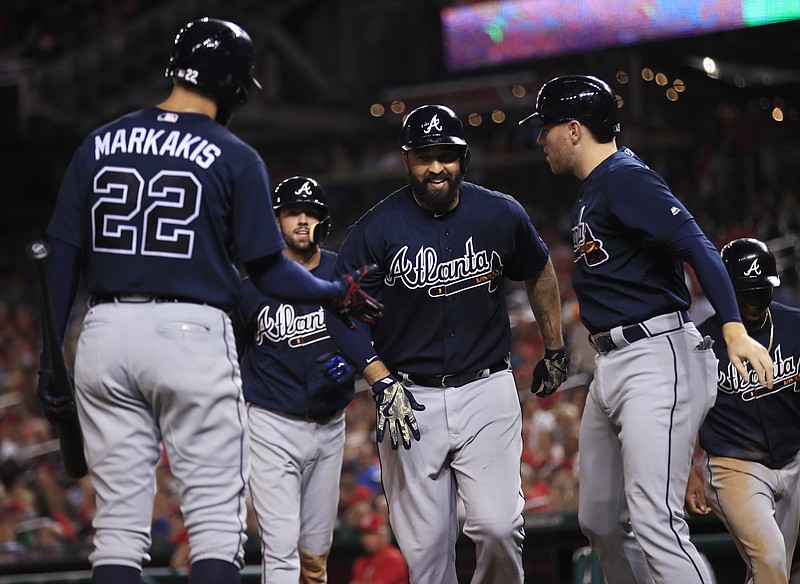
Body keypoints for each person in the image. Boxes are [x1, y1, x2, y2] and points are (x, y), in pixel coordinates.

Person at [34, 18, 380, 584]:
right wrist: (332, 291)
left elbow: (61, 257)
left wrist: (53, 366)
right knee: (216, 525)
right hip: (190, 333)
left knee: (118, 530)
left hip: (104, 332)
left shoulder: (99, 142)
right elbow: (270, 271)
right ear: (234, 85)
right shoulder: (233, 154)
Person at [519, 74, 774, 583]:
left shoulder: (625, 178)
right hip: (612, 365)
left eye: (545, 127)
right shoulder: (595, 189)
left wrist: (732, 328)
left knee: (656, 521)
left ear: (574, 129)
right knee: (599, 521)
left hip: (657, 355)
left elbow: (699, 247)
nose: (539, 138)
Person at [328, 104, 568, 584]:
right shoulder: (376, 229)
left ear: (463, 157)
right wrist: (378, 378)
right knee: (427, 556)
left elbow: (539, 268)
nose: (436, 166)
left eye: (447, 155)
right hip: (407, 397)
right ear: (407, 160)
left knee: (499, 528)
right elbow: (342, 311)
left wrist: (555, 347)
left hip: (486, 387)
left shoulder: (499, 212)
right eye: (424, 156)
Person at [231, 175, 356, 584]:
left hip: (330, 424)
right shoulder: (250, 286)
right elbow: (229, 355)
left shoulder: (344, 271)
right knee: (281, 547)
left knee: (315, 556)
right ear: (276, 221)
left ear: (324, 220)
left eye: (312, 213)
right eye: (292, 213)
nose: (303, 221)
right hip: (271, 425)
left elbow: (377, 335)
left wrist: (354, 364)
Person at [685, 238, 800, 584]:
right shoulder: (700, 343)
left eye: (759, 291)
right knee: (770, 558)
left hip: (794, 460)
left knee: (771, 569)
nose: (752, 300)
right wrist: (688, 470)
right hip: (733, 464)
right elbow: (683, 412)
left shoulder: (794, 326)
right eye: (743, 292)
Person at [349, 511, 409, 584]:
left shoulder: (393, 558)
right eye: (364, 534)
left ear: (383, 536)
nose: (366, 539)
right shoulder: (360, 562)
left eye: (371, 534)